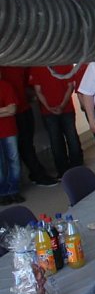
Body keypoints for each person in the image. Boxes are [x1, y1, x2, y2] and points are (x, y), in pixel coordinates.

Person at [0, 66, 55, 186]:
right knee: (16, 149)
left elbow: (27, 85)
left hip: (24, 108)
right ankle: (36, 175)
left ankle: (35, 175)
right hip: (10, 115)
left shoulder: (20, 64)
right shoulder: (4, 66)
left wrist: (36, 94)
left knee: (27, 144)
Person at [29, 65, 84, 177]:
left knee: (66, 138)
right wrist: (52, 107)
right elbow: (38, 91)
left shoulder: (62, 64)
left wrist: (53, 107)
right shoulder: (37, 67)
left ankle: (71, 168)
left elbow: (70, 86)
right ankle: (69, 168)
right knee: (60, 140)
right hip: (54, 111)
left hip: (61, 110)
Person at [0, 69, 23, 204]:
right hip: (7, 129)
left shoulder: (5, 86)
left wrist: (8, 110)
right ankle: (3, 192)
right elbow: (8, 109)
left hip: (9, 131)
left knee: (13, 160)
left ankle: (14, 190)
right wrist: (5, 110)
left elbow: (12, 110)